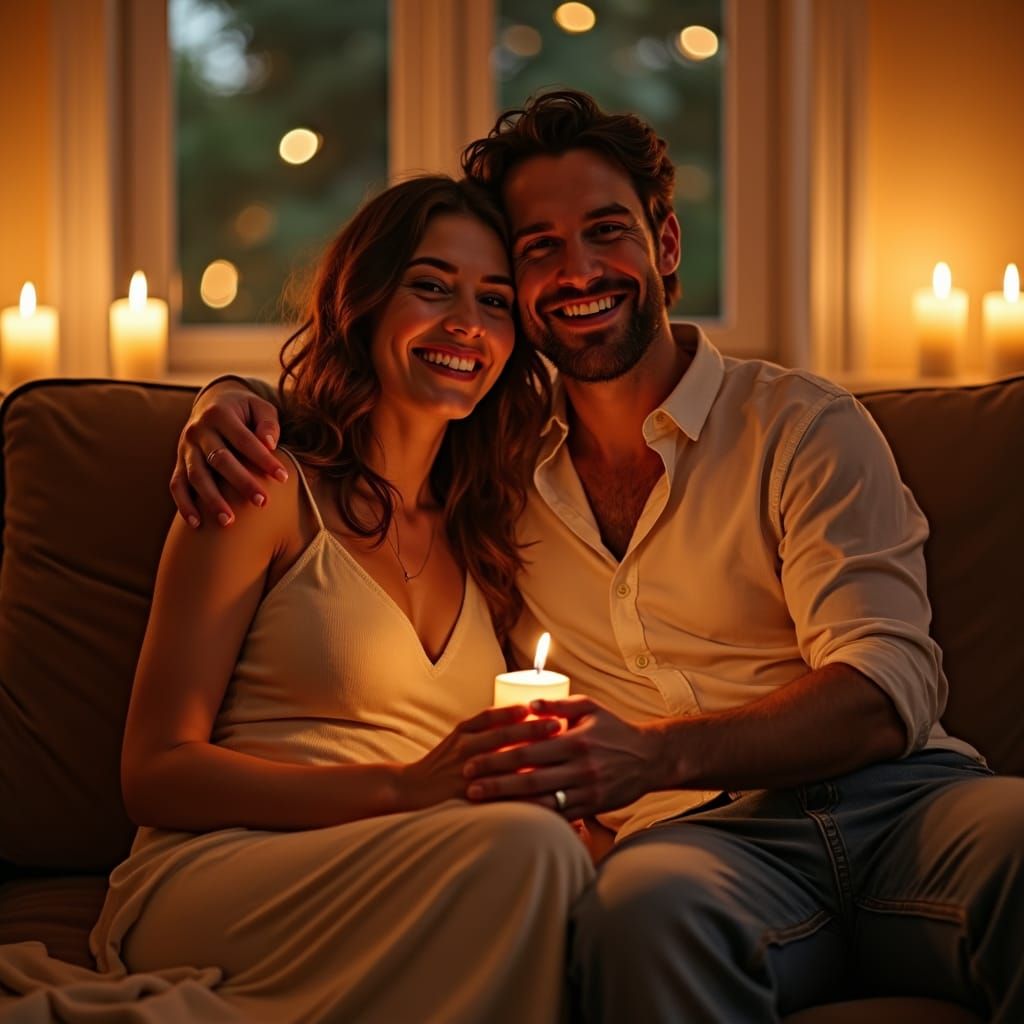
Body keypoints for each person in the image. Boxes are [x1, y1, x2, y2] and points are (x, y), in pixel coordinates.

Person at [174, 91, 1024, 1021]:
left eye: (606, 232)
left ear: (664, 246)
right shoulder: (493, 480)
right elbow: (364, 414)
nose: (577, 271)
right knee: (638, 917)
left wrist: (651, 757)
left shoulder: (800, 426)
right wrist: (222, 397)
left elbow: (888, 684)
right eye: (538, 249)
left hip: (907, 808)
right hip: (702, 851)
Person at [0, 175, 595, 1024]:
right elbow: (155, 773)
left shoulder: (490, 531)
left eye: (495, 301)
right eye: (431, 286)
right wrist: (408, 788)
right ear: (364, 303)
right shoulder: (261, 486)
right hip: (226, 868)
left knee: (551, 858)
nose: (466, 322)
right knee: (528, 856)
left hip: (427, 861)